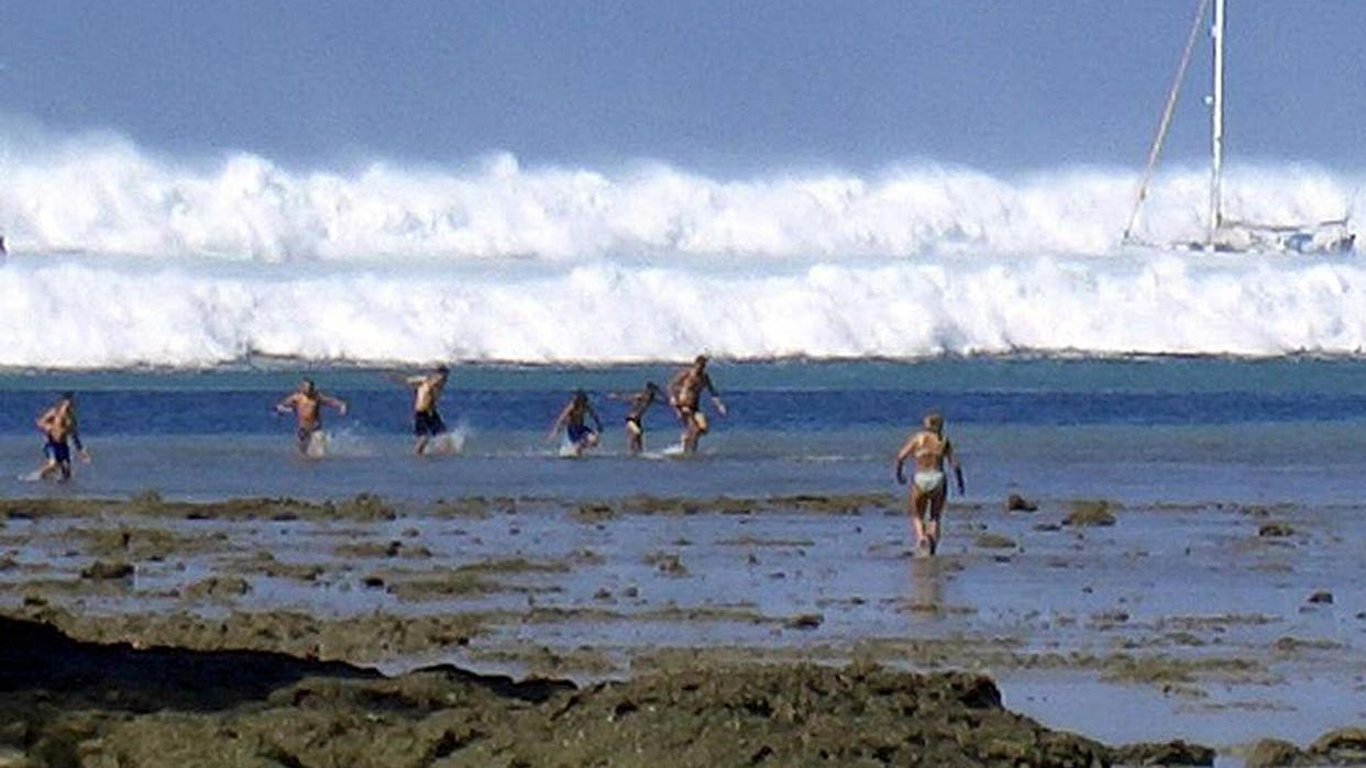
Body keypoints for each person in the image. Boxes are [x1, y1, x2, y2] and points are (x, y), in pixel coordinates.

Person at [894, 410, 965, 556]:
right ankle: (932, 545)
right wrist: (960, 483)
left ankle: (921, 538)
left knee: (916, 515)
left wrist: (899, 474)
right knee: (935, 516)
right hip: (938, 478)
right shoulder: (943, 440)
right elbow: (955, 465)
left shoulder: (919, 438)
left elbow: (900, 456)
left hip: (921, 477)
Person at [668, 355, 727, 455]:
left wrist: (719, 405)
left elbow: (712, 392)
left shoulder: (704, 377)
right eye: (699, 366)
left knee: (704, 428)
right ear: (695, 364)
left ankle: (687, 440)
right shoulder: (686, 374)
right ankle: (689, 452)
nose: (700, 369)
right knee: (695, 429)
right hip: (683, 406)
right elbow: (671, 386)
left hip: (695, 407)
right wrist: (673, 398)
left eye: (703, 366)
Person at [274, 378, 347, 456]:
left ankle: (320, 466)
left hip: (316, 429)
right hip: (303, 430)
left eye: (309, 387)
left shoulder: (317, 397)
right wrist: (280, 410)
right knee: (302, 456)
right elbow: (281, 405)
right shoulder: (296, 398)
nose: (308, 389)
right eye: (305, 387)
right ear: (301, 387)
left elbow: (331, 401)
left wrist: (342, 406)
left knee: (319, 454)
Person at [32, 392, 90, 481]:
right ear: (63, 402)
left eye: (72, 403)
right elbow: (40, 422)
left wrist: (81, 452)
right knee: (53, 464)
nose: (69, 405)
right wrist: (48, 427)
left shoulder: (72, 419)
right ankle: (37, 478)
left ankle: (63, 491)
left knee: (67, 472)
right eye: (67, 402)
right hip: (52, 443)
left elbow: (74, 436)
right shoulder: (55, 412)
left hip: (63, 445)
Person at [395, 365, 451, 456]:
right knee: (423, 437)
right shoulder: (425, 381)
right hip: (421, 412)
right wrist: (395, 378)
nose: (443, 379)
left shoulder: (439, 385)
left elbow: (432, 397)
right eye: (442, 376)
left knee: (443, 435)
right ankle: (417, 455)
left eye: (445, 377)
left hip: (431, 412)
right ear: (436, 375)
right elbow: (409, 382)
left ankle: (443, 454)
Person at [610, 381, 665, 454]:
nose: (653, 393)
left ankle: (639, 457)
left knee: (639, 442)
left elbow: (663, 401)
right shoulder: (641, 396)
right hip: (630, 419)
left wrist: (663, 394)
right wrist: (616, 397)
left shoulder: (651, 399)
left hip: (638, 421)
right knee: (637, 432)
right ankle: (630, 452)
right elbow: (627, 397)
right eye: (652, 391)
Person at [548, 390, 604, 456]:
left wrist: (599, 425)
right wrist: (555, 432)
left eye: (584, 402)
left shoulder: (586, 406)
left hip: (581, 428)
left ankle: (580, 449)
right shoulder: (572, 406)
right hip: (572, 429)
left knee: (594, 440)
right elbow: (561, 418)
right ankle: (574, 453)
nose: (582, 403)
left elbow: (594, 415)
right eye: (581, 401)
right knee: (578, 448)